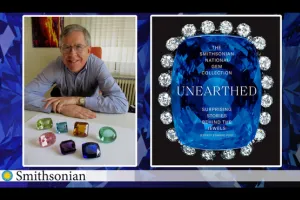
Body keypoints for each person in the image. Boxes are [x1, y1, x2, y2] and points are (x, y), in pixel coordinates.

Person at [25, 24, 129, 119]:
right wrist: (61, 108)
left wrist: (77, 100)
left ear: (88, 50)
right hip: (64, 114)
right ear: (60, 49)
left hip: (92, 113)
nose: (72, 54)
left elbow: (121, 104)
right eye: (66, 47)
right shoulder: (55, 66)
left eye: (78, 47)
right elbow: (22, 96)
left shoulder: (98, 66)